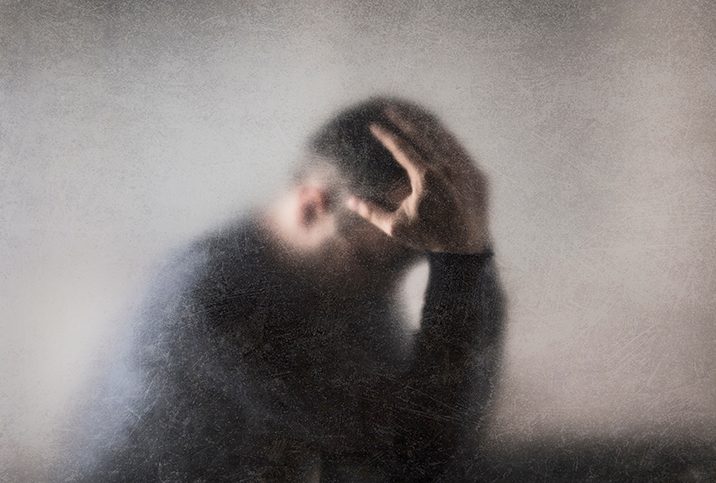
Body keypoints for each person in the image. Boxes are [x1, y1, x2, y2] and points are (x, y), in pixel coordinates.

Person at [69, 98, 504, 482]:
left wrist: (466, 254)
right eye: (375, 261)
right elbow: (417, 452)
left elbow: (434, 435)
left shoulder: (337, 274)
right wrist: (462, 263)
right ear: (312, 207)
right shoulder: (215, 299)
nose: (383, 286)